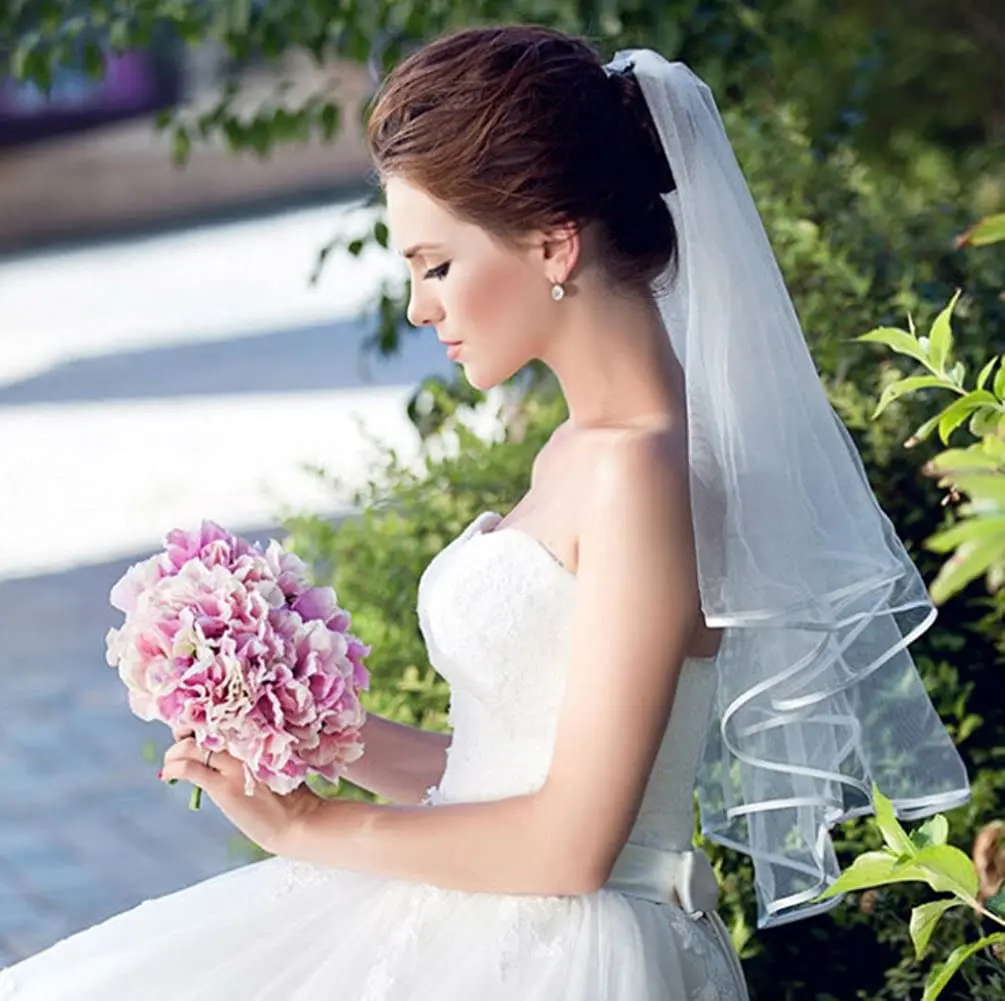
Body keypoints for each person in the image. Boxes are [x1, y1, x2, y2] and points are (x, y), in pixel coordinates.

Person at [0, 23, 969, 1001]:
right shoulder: (579, 449)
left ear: (553, 241)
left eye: (435, 263)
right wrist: (301, 728)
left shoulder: (641, 470)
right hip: (487, 918)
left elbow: (575, 842)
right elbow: (497, 769)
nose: (420, 307)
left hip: (568, 954)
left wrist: (310, 828)